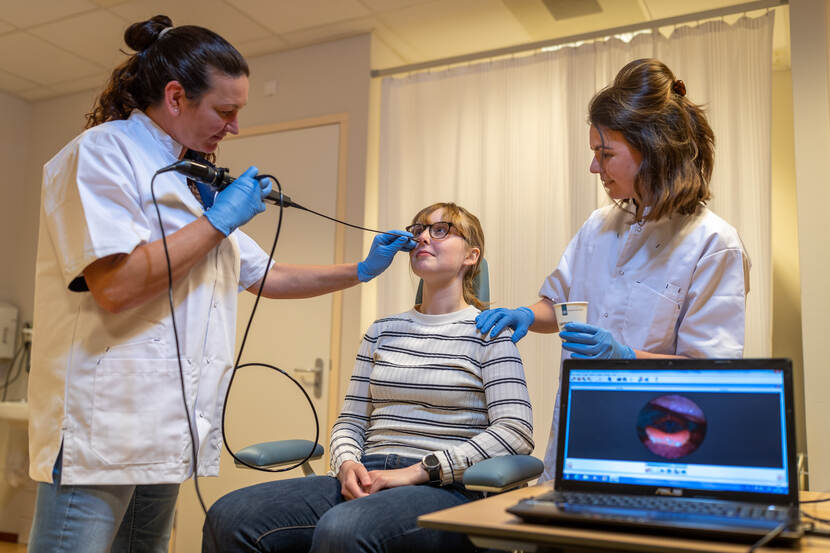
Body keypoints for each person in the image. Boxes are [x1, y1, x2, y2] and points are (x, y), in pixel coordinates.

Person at [27, 15, 414, 553]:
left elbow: (267, 276)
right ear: (176, 96)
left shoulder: (189, 182)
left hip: (165, 425)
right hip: (106, 423)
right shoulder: (102, 154)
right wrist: (218, 222)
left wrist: (360, 271)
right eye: (225, 111)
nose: (234, 128)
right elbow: (114, 286)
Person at [475, 58, 750, 481]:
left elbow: (710, 375)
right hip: (581, 426)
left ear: (654, 150)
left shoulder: (713, 244)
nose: (594, 168)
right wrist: (529, 315)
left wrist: (623, 358)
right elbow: (565, 306)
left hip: (659, 441)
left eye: (605, 154)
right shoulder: (599, 225)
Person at [204, 202, 534, 553]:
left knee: (345, 527)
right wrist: (346, 464)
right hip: (368, 473)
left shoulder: (490, 333)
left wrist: (419, 471)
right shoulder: (383, 331)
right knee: (230, 515)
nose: (423, 236)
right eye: (418, 229)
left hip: (443, 487)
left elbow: (515, 432)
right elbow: (350, 420)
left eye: (440, 230)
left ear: (471, 255)